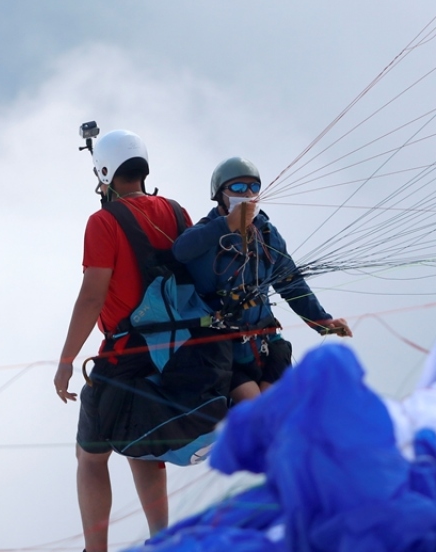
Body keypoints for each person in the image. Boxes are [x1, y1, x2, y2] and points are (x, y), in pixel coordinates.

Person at [54, 129, 196, 552]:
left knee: (92, 457)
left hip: (125, 355)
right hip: (177, 352)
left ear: (105, 173)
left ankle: (95, 550)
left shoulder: (103, 222)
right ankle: (162, 539)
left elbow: (93, 294)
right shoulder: (176, 211)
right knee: (142, 445)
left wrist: (66, 360)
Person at [172, 156, 352, 404]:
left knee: (277, 409)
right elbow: (181, 250)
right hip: (226, 352)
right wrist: (226, 225)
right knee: (254, 404)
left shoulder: (267, 234)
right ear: (220, 194)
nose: (246, 193)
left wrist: (322, 321)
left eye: (253, 187)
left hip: (267, 343)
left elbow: (291, 283)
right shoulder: (207, 232)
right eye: (237, 187)